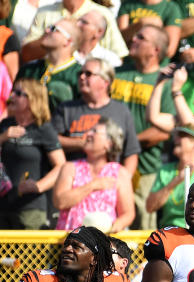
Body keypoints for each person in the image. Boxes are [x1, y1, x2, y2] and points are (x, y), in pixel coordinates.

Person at [110, 24, 175, 229]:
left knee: (142, 226)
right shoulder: (116, 73)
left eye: (141, 37)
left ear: (156, 49)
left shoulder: (165, 84)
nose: (133, 40)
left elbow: (163, 132)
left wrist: (127, 144)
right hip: (108, 165)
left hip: (145, 168)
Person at [51, 57, 141, 178]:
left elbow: (131, 152)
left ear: (105, 82)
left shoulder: (121, 111)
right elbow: (51, 141)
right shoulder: (66, 108)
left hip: (108, 180)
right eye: (80, 73)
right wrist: (81, 143)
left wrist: (122, 182)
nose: (82, 77)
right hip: (73, 178)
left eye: (88, 74)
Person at [0, 79, 66, 229]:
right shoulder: (5, 125)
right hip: (3, 204)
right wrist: (3, 137)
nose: (12, 97)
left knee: (28, 252)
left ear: (32, 99)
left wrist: (38, 186)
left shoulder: (43, 129)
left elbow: (61, 165)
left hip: (30, 207)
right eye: (12, 92)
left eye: (18, 93)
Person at [52, 118, 134, 232]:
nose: (88, 134)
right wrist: (92, 185)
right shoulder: (69, 168)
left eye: (94, 131)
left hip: (104, 244)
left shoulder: (120, 173)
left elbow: (128, 213)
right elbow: (60, 202)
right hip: (71, 245)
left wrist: (117, 226)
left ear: (109, 144)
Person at [146, 122, 194, 229]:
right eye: (176, 136)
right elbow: (150, 207)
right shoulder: (165, 170)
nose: (176, 139)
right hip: (169, 233)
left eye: (182, 136)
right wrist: (175, 181)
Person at [16, 18, 81, 112]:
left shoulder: (79, 75)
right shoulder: (29, 69)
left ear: (68, 41)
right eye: (49, 27)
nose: (47, 31)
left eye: (54, 29)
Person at [117, 0, 183, 60]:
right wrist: (139, 24)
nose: (134, 39)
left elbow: (170, 50)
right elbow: (119, 41)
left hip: (155, 66)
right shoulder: (127, 4)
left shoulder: (171, 7)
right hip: (128, 64)